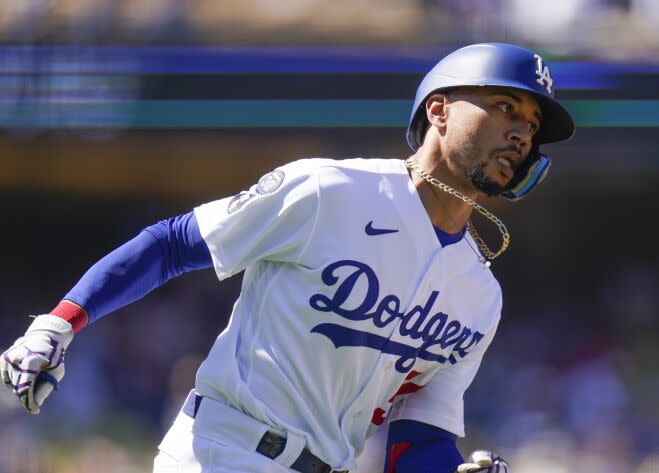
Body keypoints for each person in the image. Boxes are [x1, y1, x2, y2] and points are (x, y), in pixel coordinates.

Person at [0, 43, 575, 473]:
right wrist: (60, 321)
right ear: (440, 111)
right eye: (504, 106)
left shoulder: (480, 296)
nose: (522, 133)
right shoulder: (329, 190)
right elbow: (174, 242)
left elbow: (417, 440)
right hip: (223, 454)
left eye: (531, 125)